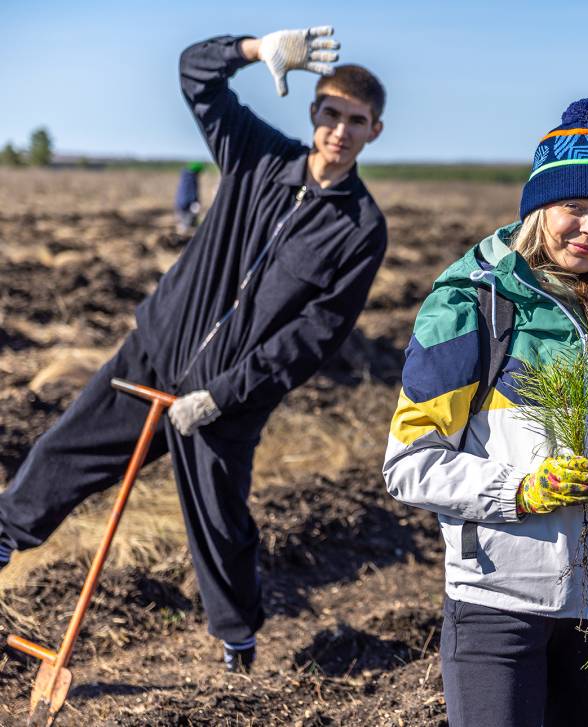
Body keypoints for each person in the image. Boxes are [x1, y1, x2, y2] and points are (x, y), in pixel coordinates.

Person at [0, 26, 388, 673]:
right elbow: (194, 76)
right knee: (62, 451)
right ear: (313, 112)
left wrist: (221, 396)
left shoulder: (360, 229)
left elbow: (310, 338)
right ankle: (6, 538)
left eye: (357, 121)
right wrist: (254, 49)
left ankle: (237, 643)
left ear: (375, 130)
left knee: (219, 524)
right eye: (331, 114)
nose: (339, 131)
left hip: (226, 394)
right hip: (153, 355)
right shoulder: (258, 155)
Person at [383, 99, 588, 727]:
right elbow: (410, 464)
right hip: (500, 603)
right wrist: (520, 490)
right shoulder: (472, 308)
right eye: (573, 209)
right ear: (537, 211)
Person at [174, 161, 204, 234]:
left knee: (184, 221)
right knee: (186, 223)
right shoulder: (191, 179)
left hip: (180, 203)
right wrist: (194, 202)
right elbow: (191, 192)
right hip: (187, 204)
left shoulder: (185, 176)